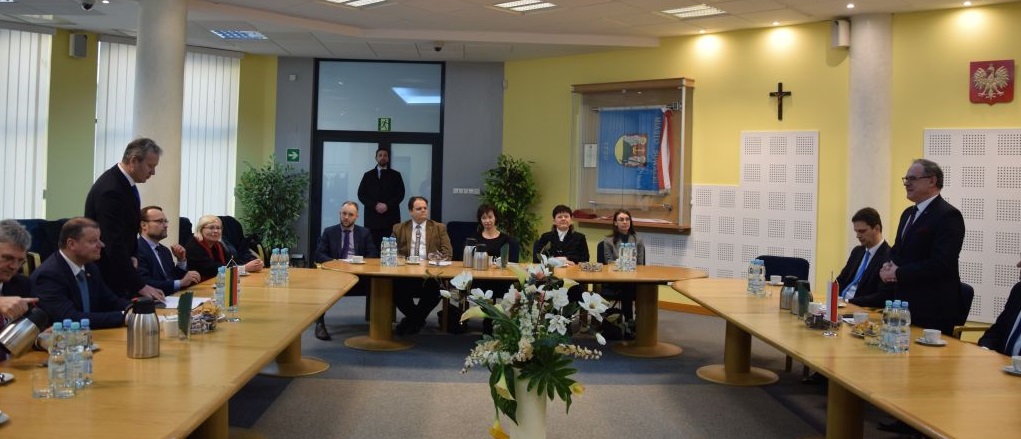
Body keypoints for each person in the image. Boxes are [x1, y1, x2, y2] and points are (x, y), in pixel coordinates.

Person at [879, 159, 965, 335]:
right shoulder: (908, 214)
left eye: (912, 178)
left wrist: (898, 273)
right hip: (904, 303)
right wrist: (887, 266)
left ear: (932, 181)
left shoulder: (948, 215)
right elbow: (897, 250)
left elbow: (941, 263)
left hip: (932, 307)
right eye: (906, 179)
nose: (906, 183)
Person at [84, 137, 165, 302]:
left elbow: (129, 229)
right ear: (134, 161)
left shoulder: (125, 184)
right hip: (108, 275)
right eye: (150, 166)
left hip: (121, 270)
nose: (153, 172)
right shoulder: (111, 189)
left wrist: (133, 255)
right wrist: (139, 286)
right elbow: (112, 242)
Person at [31, 218, 131, 329]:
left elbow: (112, 301)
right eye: (93, 241)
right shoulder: (49, 275)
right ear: (72, 244)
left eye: (99, 240)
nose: (101, 245)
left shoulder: (90, 267)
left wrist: (137, 309)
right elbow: (70, 318)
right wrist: (125, 317)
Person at [313, 201, 379, 340]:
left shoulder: (364, 233)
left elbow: (373, 254)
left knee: (381, 283)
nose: (346, 217)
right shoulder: (329, 232)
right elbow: (319, 254)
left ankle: (380, 325)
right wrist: (335, 262)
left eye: (350, 214)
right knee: (321, 285)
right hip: (336, 274)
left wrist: (360, 263)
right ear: (340, 214)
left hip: (359, 274)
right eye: (344, 214)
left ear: (356, 216)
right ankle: (319, 323)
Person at [392, 196, 452, 335]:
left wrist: (433, 258)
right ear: (410, 211)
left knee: (435, 291)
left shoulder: (439, 228)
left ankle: (412, 321)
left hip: (429, 274)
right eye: (419, 208)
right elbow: (391, 252)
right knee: (394, 290)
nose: (423, 211)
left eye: (425, 208)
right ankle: (417, 320)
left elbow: (448, 253)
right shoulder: (399, 228)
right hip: (406, 274)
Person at [136, 206, 201, 296]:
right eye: (160, 221)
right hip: (150, 301)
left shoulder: (164, 250)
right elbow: (144, 284)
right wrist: (180, 283)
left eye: (165, 221)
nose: (166, 225)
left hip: (170, 299)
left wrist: (181, 261)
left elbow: (171, 278)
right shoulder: (136, 249)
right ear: (144, 225)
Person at [835, 207, 891, 308]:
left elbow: (881, 296)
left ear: (877, 229)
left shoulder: (888, 256)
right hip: (842, 304)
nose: (858, 236)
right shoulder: (857, 251)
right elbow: (841, 279)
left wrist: (848, 302)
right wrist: (833, 297)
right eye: (856, 231)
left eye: (862, 231)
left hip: (860, 308)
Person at [600, 209, 645, 325]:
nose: (625, 222)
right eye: (621, 219)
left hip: (633, 278)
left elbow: (640, 264)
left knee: (631, 285)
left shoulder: (638, 240)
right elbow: (609, 263)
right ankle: (629, 321)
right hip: (615, 278)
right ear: (615, 223)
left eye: (627, 219)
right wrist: (623, 266)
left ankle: (635, 320)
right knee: (627, 286)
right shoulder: (608, 241)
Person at [184, 215, 264, 281]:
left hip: (216, 284)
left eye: (218, 228)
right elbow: (213, 269)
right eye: (211, 228)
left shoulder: (218, 245)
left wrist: (254, 265)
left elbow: (229, 263)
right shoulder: (193, 246)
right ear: (201, 229)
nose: (216, 231)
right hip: (198, 287)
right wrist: (245, 268)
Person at [357, 148, 406, 246]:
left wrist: (387, 205)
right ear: (376, 158)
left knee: (389, 249)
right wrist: (375, 205)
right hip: (372, 219)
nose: (382, 157)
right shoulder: (368, 175)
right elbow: (361, 194)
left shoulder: (396, 175)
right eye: (380, 155)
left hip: (390, 218)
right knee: (372, 249)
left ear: (388, 158)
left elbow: (400, 194)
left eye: (385, 155)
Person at [977, 260, 1021, 356]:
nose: (1018, 265)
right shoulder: (1018, 290)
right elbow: (997, 330)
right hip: (1002, 362)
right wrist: (985, 349)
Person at [0, 220, 38, 327]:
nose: (14, 266)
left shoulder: (22, 284)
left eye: (21, 261)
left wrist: (40, 333)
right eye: (7, 258)